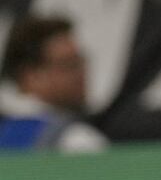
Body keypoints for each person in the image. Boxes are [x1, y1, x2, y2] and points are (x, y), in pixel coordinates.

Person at [0, 15, 108, 152]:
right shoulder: (76, 141)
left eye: (81, 61)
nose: (82, 72)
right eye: (69, 64)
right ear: (32, 76)